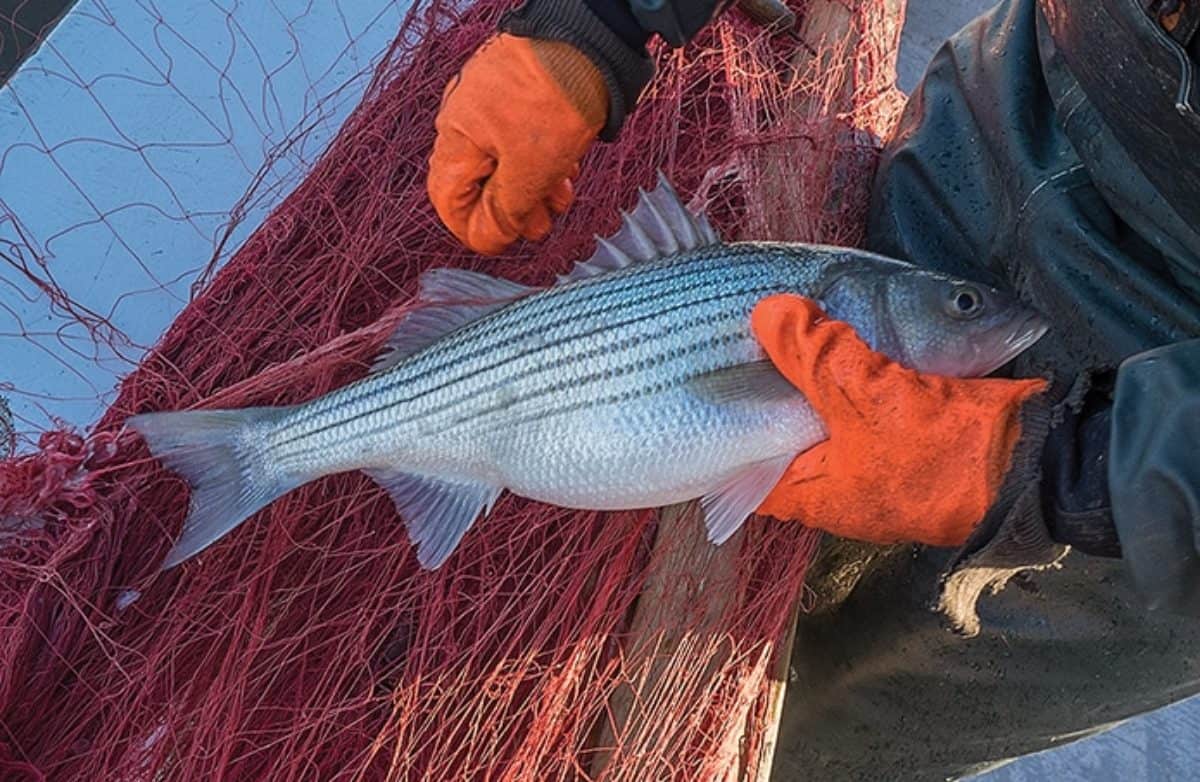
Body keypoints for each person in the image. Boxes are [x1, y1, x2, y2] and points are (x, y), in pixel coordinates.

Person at [426, 0, 1200, 777]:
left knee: (821, 724)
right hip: (1018, 101)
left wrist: (1083, 470)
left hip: (1149, 494)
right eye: (963, 307)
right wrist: (603, 19)